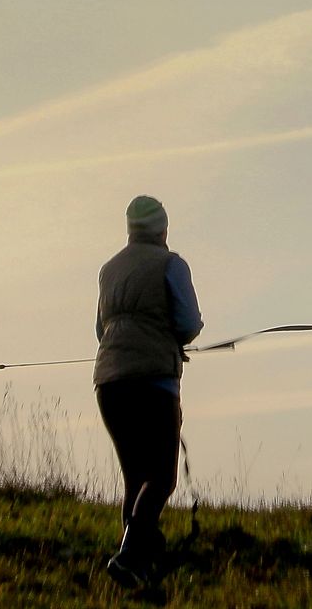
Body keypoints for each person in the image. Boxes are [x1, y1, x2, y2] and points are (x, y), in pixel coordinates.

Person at [94, 195, 203, 588]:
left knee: (135, 478)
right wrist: (172, 342)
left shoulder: (109, 270)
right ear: (163, 229)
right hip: (154, 383)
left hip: (108, 382)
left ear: (129, 230)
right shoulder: (171, 264)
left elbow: (100, 330)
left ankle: (140, 564)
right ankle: (129, 556)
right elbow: (188, 323)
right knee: (160, 479)